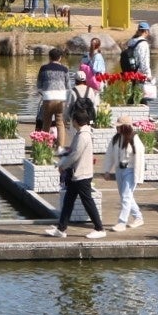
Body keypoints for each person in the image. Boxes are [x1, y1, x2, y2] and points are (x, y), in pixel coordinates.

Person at [45, 97, 106, 239]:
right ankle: (61, 229)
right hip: (76, 174)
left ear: (76, 122)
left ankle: (99, 228)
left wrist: (62, 165)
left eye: (72, 120)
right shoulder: (82, 134)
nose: (71, 122)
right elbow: (73, 152)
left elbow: (75, 155)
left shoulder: (83, 136)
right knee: (68, 201)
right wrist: (64, 155)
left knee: (87, 201)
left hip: (82, 175)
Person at [107, 121, 143, 231]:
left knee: (126, 196)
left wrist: (139, 177)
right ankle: (138, 217)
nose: (116, 128)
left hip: (130, 170)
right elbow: (110, 154)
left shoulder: (134, 139)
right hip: (119, 170)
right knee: (125, 196)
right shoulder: (116, 139)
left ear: (125, 127)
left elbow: (139, 159)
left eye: (119, 126)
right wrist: (107, 170)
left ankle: (122, 222)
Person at [36, 47, 71, 132]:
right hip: (61, 99)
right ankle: (60, 145)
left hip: (48, 98)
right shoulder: (65, 69)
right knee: (60, 124)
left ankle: (45, 143)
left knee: (46, 123)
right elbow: (68, 87)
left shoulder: (43, 68)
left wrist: (43, 93)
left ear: (49, 57)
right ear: (60, 58)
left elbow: (39, 85)